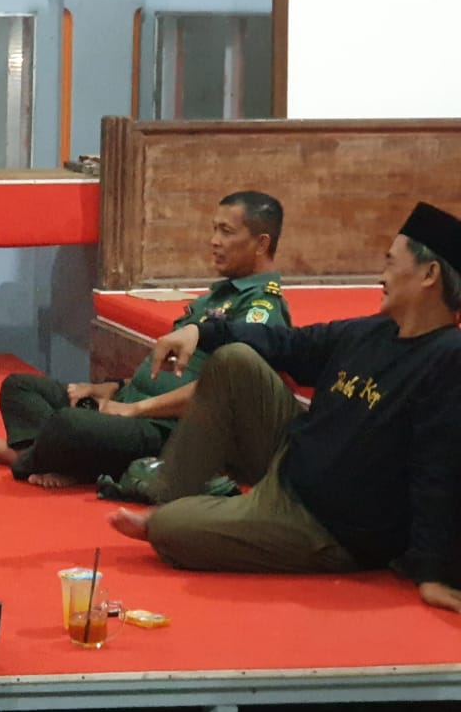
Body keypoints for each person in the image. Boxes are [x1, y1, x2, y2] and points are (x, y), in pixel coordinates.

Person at [109, 202, 461, 613]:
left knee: (171, 530)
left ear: (429, 274)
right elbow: (287, 343)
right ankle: (174, 497)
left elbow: (439, 466)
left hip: (324, 527)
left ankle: (184, 516)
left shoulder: (448, 357)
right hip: (290, 464)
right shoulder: (373, 331)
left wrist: (431, 572)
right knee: (234, 360)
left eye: (390, 262)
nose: (381, 276)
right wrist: (200, 331)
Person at [0, 190, 292, 486]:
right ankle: (50, 459)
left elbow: (223, 394)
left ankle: (29, 458)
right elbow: (165, 370)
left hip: (163, 428)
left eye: (227, 231)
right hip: (128, 404)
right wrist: (113, 387)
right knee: (20, 386)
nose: (214, 241)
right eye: (214, 229)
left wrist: (135, 409)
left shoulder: (261, 311)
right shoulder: (215, 297)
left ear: (261, 243)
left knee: (69, 424)